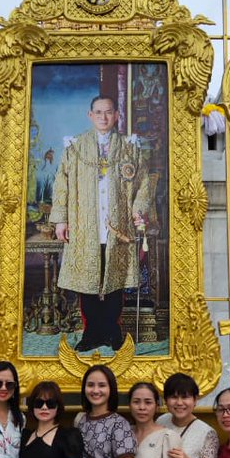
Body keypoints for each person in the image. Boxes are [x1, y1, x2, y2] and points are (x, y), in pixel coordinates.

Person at [49, 95, 151, 352]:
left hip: (119, 226)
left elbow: (143, 184)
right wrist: (61, 219)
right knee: (89, 281)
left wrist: (139, 211)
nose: (103, 117)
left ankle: (112, 332)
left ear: (116, 115)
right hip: (85, 225)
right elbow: (61, 184)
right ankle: (92, 333)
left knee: (115, 280)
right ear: (90, 115)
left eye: (108, 112)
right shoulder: (74, 147)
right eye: (98, 112)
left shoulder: (130, 147)